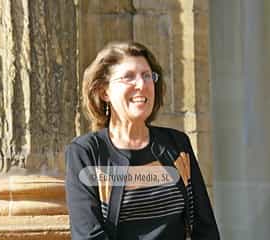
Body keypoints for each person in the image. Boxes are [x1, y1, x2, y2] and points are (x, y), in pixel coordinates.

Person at [65, 41, 220, 240]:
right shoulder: (85, 153)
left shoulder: (177, 146)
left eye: (147, 76)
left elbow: (205, 228)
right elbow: (88, 235)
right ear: (105, 92)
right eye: (128, 77)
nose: (142, 84)